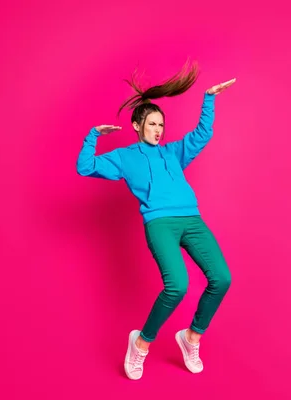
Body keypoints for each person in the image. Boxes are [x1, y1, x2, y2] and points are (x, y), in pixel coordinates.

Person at [76, 60, 236, 380]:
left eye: (160, 125)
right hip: (159, 223)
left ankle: (191, 338)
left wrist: (209, 98)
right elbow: (85, 167)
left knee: (222, 278)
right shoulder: (124, 157)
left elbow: (202, 134)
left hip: (192, 219)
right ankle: (142, 343)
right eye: (152, 124)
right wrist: (92, 135)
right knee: (177, 285)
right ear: (138, 125)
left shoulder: (174, 152)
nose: (158, 130)